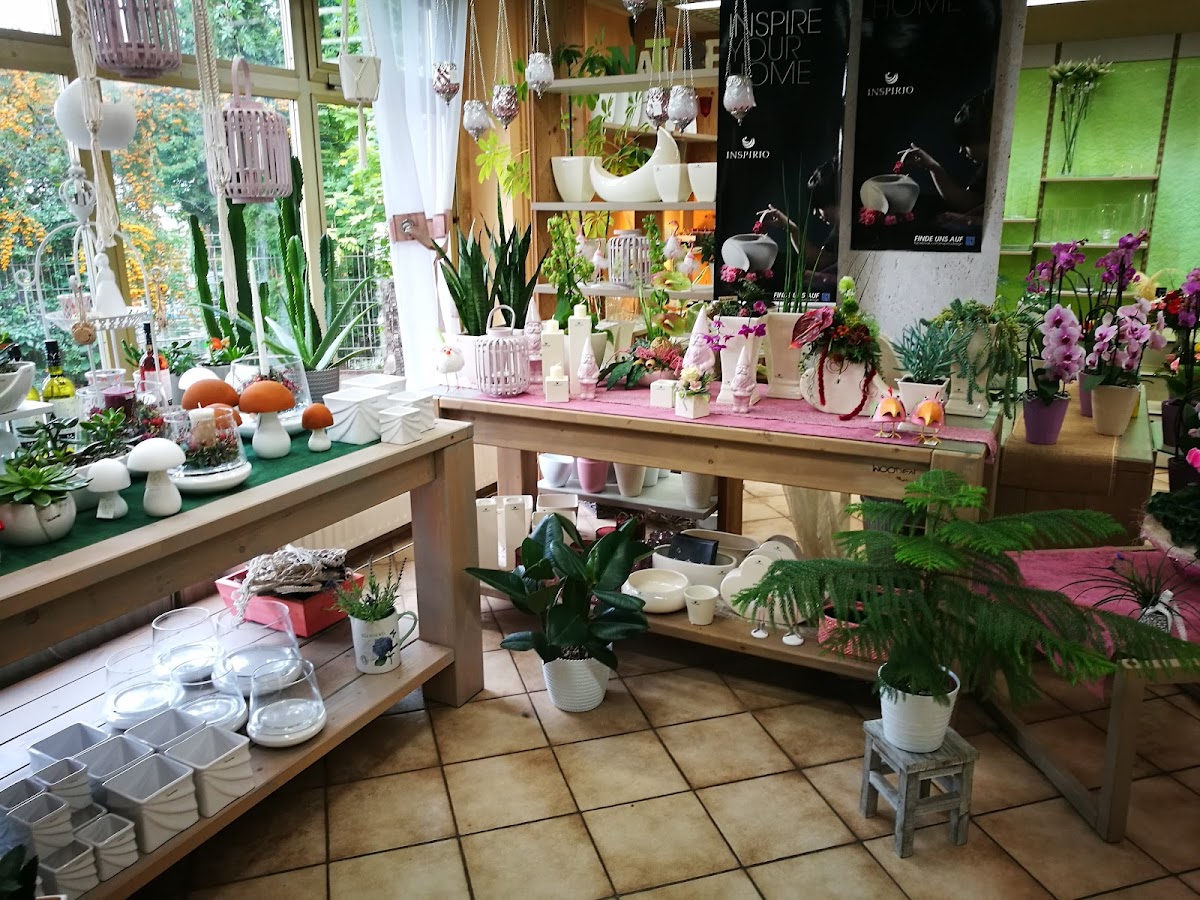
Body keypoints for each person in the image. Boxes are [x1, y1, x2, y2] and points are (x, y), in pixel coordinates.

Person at [898, 89, 993, 222]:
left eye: (965, 144)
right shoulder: (988, 166)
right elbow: (970, 202)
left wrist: (967, 220)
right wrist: (933, 167)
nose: (961, 151)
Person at [755, 159, 840, 295]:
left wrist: (820, 277)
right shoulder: (838, 231)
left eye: (819, 206)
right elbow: (823, 261)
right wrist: (791, 229)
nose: (815, 213)